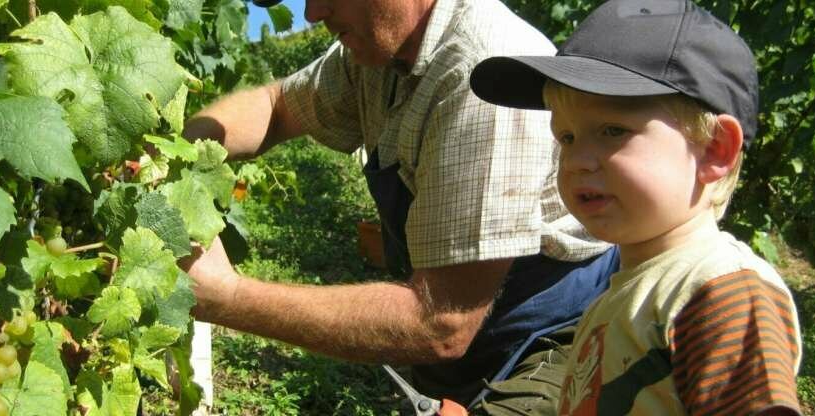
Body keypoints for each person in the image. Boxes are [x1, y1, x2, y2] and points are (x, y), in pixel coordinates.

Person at [181, 0, 619, 411]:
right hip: (463, 326)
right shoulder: (378, 53)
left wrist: (228, 296)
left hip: (548, 344)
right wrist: (171, 150)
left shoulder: (480, 72)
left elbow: (441, 324)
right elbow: (276, 107)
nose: (312, 13)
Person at [469, 0, 803, 414]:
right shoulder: (625, 292)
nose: (576, 160)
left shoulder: (719, 291)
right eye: (567, 138)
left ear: (714, 150)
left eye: (612, 131)